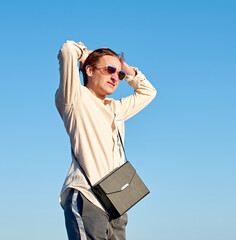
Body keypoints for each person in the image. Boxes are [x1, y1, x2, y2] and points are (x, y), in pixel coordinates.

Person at [55, 40, 156, 240]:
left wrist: (123, 66)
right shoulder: (75, 98)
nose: (115, 77)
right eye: (109, 70)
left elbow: (148, 92)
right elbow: (67, 50)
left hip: (116, 202)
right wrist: (85, 54)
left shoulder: (116, 108)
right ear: (89, 70)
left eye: (118, 74)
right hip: (87, 196)